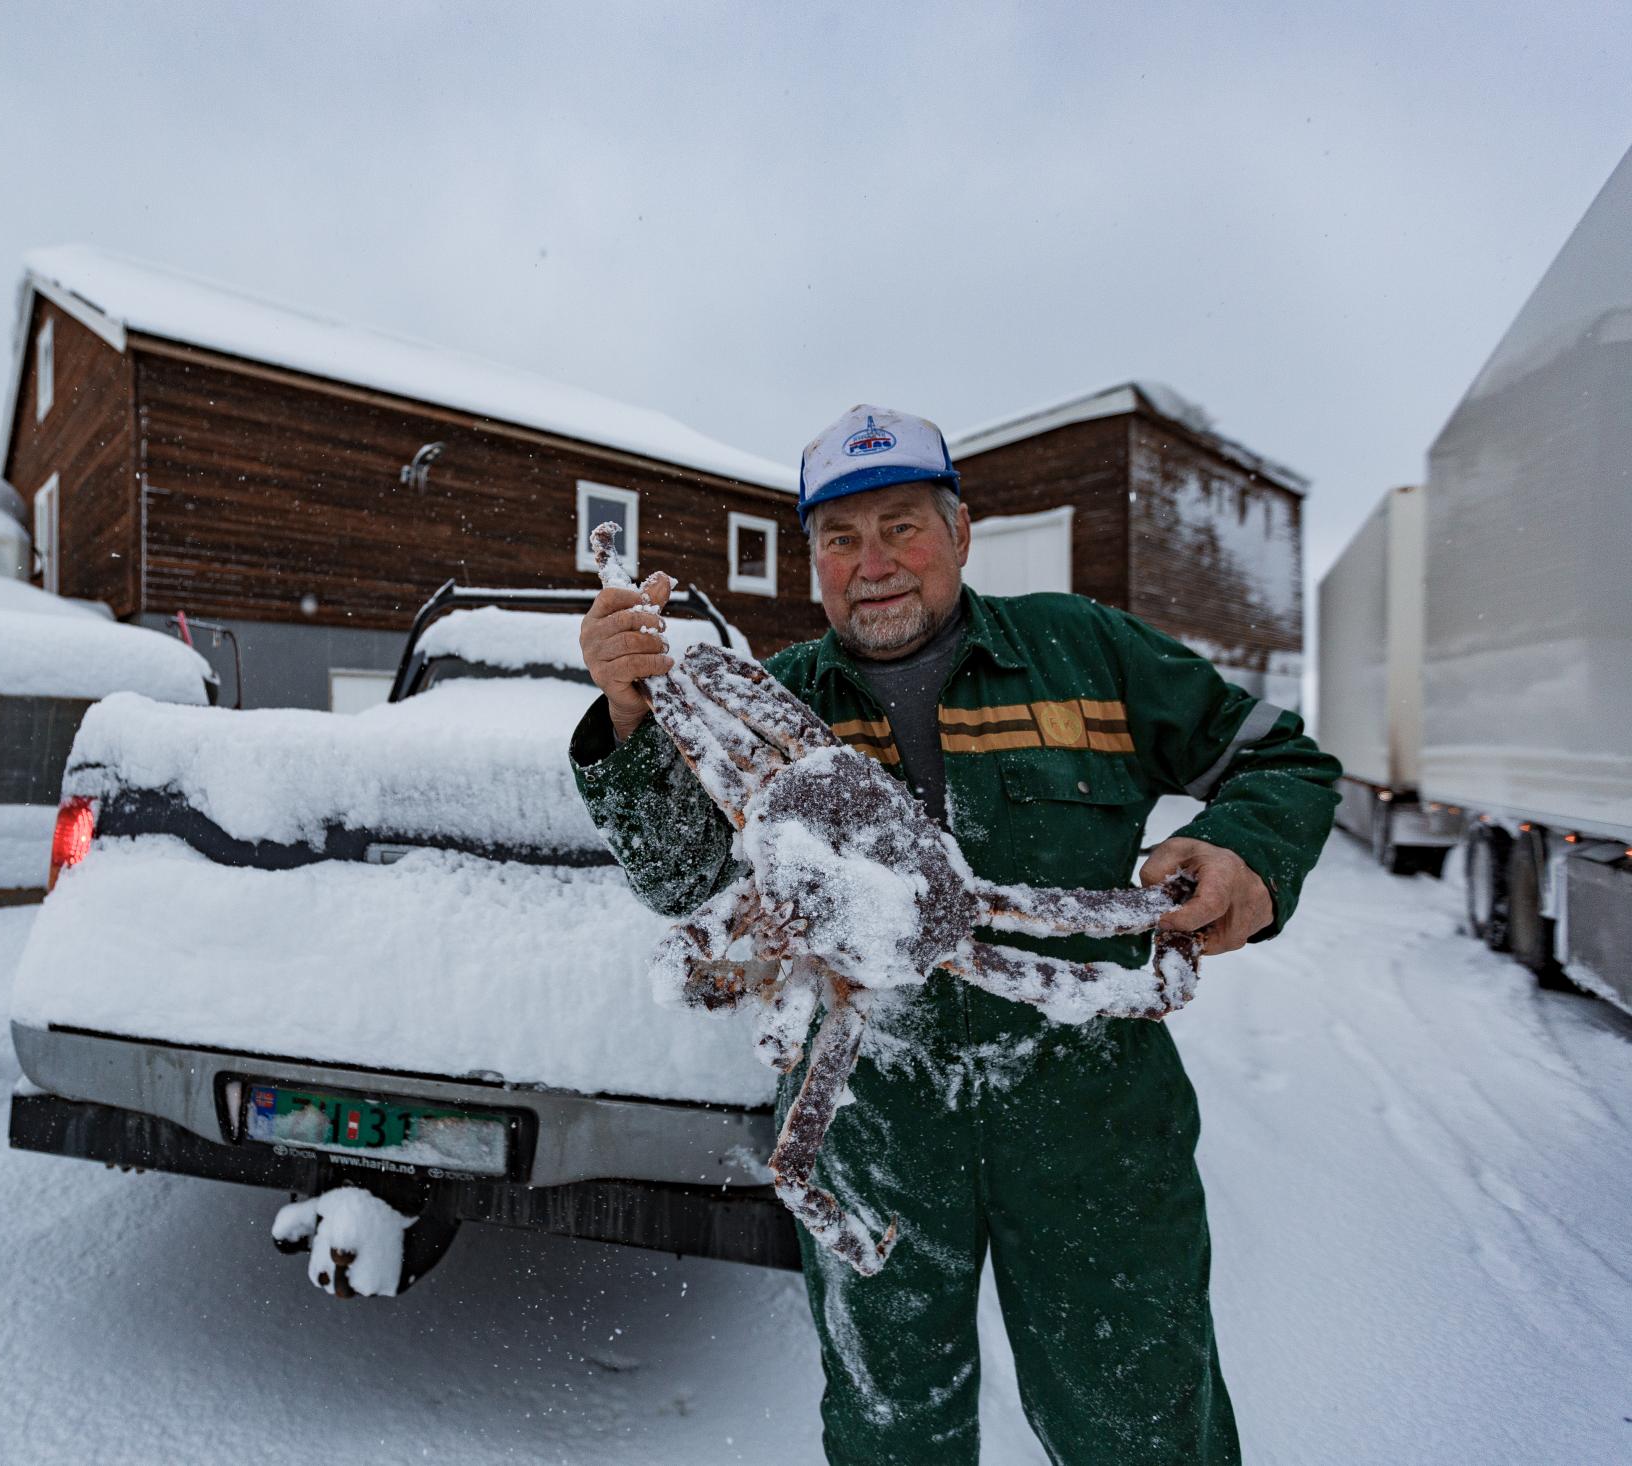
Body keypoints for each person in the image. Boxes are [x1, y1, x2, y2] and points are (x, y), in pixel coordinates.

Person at [569, 404, 1339, 1465]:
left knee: (1140, 1420)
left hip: (1091, 1118)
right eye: (839, 537)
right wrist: (625, 714)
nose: (871, 561)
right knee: (891, 1430)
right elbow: (680, 877)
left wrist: (1248, 850)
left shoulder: (1087, 651)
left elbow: (1281, 758)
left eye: (901, 525)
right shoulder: (776, 697)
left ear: (961, 532)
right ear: (811, 561)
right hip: (871, 1118)